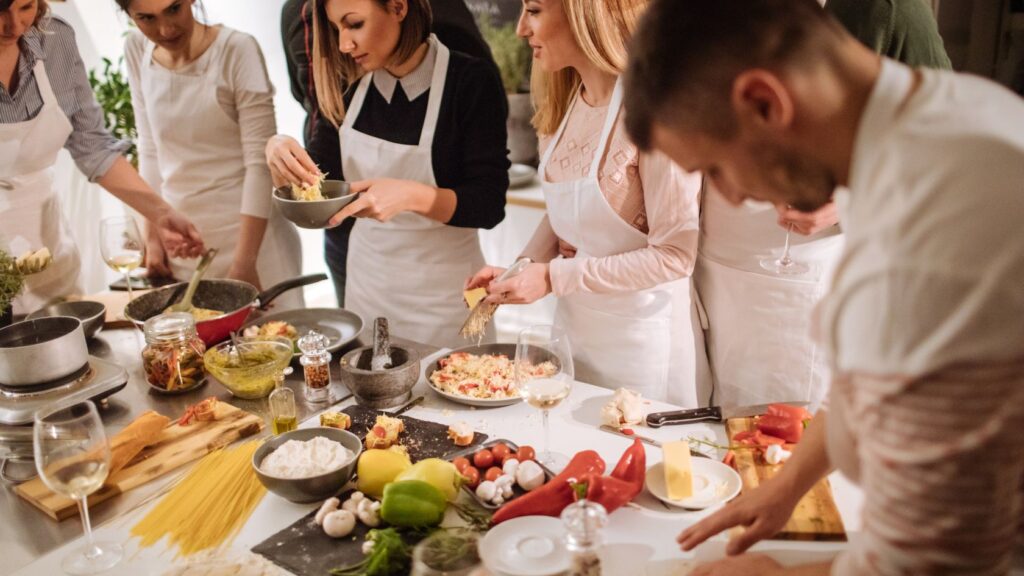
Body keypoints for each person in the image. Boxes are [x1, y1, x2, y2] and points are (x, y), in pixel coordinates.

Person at [624, 0, 1024, 574]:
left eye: (715, 166)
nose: (729, 197)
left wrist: (771, 575)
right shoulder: (927, 125)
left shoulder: (941, 221)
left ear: (764, 102)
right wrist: (786, 486)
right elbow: (868, 378)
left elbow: (940, 560)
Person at [696, 0, 954, 412]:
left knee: (785, 436)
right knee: (714, 434)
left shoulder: (890, 11)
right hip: (714, 270)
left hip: (803, 275)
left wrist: (849, 197)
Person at [466, 0, 709, 405]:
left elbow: (674, 256)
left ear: (585, 14)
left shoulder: (657, 110)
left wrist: (551, 278)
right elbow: (567, 211)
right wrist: (519, 269)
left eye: (535, 10)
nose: (520, 29)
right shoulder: (569, 100)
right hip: (576, 338)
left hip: (644, 350)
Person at [267, 0, 508, 347]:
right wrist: (278, 150)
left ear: (397, 8)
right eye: (337, 29)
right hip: (369, 289)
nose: (343, 45)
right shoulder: (346, 83)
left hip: (453, 294)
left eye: (354, 25)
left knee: (465, 385)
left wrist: (412, 196)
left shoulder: (470, 80)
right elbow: (321, 187)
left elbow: (489, 204)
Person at [0, 0, 204, 314]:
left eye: (25, 7)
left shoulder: (55, 38)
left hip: (45, 243)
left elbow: (91, 145)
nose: (14, 26)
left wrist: (161, 214)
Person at [118, 0, 303, 305]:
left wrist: (245, 263)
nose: (164, 29)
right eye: (146, 18)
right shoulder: (137, 49)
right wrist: (152, 236)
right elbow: (149, 147)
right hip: (184, 245)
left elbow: (259, 163)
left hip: (254, 244)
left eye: (174, 9)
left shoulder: (236, 50)